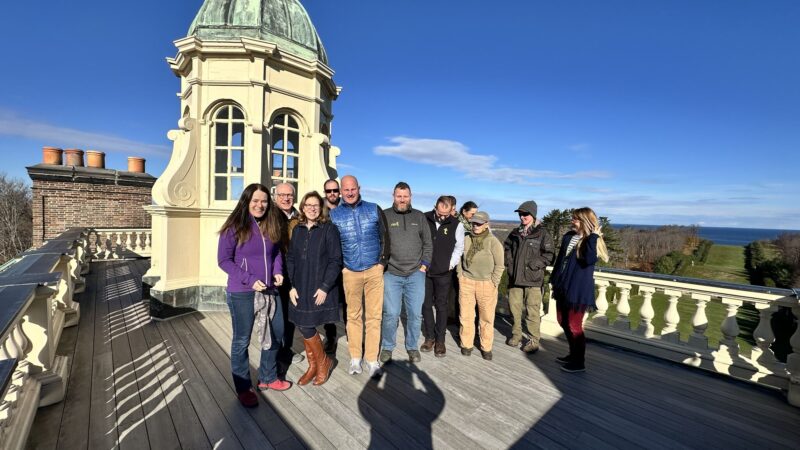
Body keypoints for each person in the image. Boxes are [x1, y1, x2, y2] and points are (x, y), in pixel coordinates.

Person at [217, 183, 291, 408]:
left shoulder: (271, 224)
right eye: (255, 201)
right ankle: (243, 387)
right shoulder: (234, 227)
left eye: (264, 201)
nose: (260, 205)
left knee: (277, 332)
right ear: (246, 202)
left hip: (270, 290)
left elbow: (276, 252)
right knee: (242, 339)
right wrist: (249, 279)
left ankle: (268, 377)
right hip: (243, 292)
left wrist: (277, 272)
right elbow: (223, 261)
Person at [329, 175, 390, 378]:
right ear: (341, 191)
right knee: (353, 316)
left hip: (374, 269)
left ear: (358, 188)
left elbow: (385, 237)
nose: (349, 193)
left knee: (374, 316)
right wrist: (342, 268)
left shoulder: (373, 208)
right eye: (345, 190)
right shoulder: (334, 215)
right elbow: (332, 246)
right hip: (350, 271)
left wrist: (382, 263)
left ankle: (372, 359)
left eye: (352, 188)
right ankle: (355, 357)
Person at [286, 191, 342, 386]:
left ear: (321, 208)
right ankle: (316, 364)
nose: (311, 208)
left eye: (315, 205)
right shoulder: (298, 230)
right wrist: (291, 285)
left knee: (307, 324)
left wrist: (325, 287)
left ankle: (322, 362)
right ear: (302, 207)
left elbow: (336, 260)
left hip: (319, 286)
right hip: (299, 286)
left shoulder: (329, 229)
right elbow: (291, 258)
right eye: (308, 205)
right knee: (302, 323)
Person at [549, 207, 609, 373]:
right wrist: (554, 280)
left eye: (575, 219)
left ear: (584, 221)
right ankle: (572, 354)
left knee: (574, 325)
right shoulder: (568, 237)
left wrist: (594, 236)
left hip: (578, 289)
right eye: (572, 218)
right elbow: (560, 261)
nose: (572, 221)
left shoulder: (592, 240)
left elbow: (589, 260)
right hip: (562, 286)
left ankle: (579, 362)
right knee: (562, 320)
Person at [380, 182, 433, 364]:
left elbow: (428, 243)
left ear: (410, 196)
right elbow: (379, 241)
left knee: (415, 314)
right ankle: (387, 347)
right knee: (391, 314)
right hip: (391, 273)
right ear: (393, 196)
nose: (402, 199)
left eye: (405, 196)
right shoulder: (385, 216)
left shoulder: (418, 216)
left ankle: (412, 347)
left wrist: (424, 265)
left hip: (415, 274)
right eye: (399, 196)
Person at [503, 200, 555, 353]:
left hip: (533, 280)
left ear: (533, 215)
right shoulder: (514, 233)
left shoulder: (543, 234)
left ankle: (533, 340)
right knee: (514, 309)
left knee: (532, 311)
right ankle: (516, 335)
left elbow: (550, 255)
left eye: (525, 214)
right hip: (515, 279)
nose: (522, 217)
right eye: (520, 214)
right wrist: (510, 263)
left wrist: (535, 264)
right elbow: (506, 249)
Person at [457, 211, 504, 361]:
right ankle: (466, 344)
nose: (475, 226)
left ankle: (486, 346)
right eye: (473, 223)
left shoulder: (493, 242)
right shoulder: (466, 239)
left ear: (486, 225)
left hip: (486, 284)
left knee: (486, 318)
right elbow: (459, 258)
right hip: (467, 282)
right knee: (466, 316)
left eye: (479, 223)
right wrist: (460, 276)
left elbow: (500, 265)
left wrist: (493, 282)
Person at [421, 196, 464, 357]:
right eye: (440, 213)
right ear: (435, 207)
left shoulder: (456, 224)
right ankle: (430, 337)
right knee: (425, 305)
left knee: (441, 306)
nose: (443, 216)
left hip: (444, 273)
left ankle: (440, 341)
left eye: (447, 214)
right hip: (424, 270)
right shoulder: (425, 218)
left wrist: (450, 264)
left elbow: (459, 248)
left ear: (452, 209)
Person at [273, 182, 304, 364]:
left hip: (294, 274)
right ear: (276, 197)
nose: (286, 198)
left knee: (291, 314)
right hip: (275, 274)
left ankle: (287, 349)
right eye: (282, 195)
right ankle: (275, 352)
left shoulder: (298, 217)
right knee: (276, 315)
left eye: (289, 195)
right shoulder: (270, 216)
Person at [321, 178, 344, 353]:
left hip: (346, 263)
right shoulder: (319, 211)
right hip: (327, 264)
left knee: (349, 302)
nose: (332, 194)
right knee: (329, 301)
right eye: (328, 191)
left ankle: (353, 334)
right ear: (325, 192)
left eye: (335, 190)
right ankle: (331, 336)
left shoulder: (346, 209)